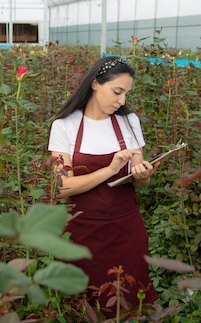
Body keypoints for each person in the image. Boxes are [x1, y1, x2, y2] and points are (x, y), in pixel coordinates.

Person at [48, 55, 159, 318]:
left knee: (129, 303)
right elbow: (62, 187)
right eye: (117, 92)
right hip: (82, 233)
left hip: (126, 229)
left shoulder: (128, 121)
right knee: (84, 305)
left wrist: (143, 174)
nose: (121, 101)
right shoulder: (65, 126)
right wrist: (109, 170)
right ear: (96, 83)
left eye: (126, 94)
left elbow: (141, 182)